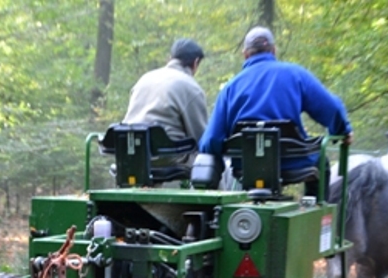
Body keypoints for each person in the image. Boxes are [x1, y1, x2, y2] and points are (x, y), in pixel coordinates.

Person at [197, 27, 353, 196]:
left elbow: (210, 140)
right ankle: (315, 214)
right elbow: (332, 108)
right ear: (273, 50)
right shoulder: (295, 74)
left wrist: (225, 148)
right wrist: (342, 131)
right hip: (295, 163)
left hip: (247, 168)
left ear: (245, 54)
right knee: (321, 162)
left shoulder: (231, 88)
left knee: (248, 168)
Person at [123, 38, 208, 166]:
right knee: (211, 163)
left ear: (170, 58)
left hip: (130, 153)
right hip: (169, 157)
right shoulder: (191, 87)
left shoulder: (144, 79)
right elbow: (201, 137)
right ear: (195, 63)